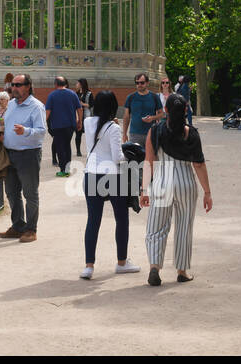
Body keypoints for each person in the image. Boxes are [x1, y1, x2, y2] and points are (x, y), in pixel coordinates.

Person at [142, 93, 212, 285]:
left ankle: (154, 267)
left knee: (156, 228)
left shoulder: (155, 131)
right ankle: (182, 270)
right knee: (184, 227)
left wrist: (144, 190)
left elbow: (149, 161)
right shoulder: (192, 133)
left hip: (162, 180)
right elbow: (199, 164)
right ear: (185, 111)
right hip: (185, 182)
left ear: (165, 110)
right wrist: (207, 192)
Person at [80, 90, 139, 279]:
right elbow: (116, 157)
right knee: (121, 219)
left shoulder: (88, 123)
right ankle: (121, 262)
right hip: (112, 176)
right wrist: (129, 154)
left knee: (93, 220)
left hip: (91, 174)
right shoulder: (113, 128)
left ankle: (89, 266)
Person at [0, 74, 47, 243]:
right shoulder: (11, 104)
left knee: (30, 193)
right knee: (11, 192)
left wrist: (25, 131)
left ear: (28, 86)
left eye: (18, 85)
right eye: (13, 84)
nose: (14, 87)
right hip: (9, 154)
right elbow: (6, 123)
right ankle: (18, 226)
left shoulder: (36, 106)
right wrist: (2, 134)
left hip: (28, 154)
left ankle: (31, 229)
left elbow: (41, 132)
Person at [45, 76, 83, 177]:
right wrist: (80, 121)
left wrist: (42, 123)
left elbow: (47, 112)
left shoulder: (52, 95)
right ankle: (67, 169)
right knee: (67, 145)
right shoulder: (73, 94)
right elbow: (79, 109)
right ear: (65, 84)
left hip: (57, 126)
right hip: (70, 125)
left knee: (60, 147)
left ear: (56, 84)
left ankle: (63, 170)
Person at [122, 72, 163, 147]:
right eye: (137, 83)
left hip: (151, 133)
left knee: (151, 158)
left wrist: (152, 118)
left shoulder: (154, 97)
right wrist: (124, 134)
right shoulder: (130, 97)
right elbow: (126, 117)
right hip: (134, 134)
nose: (139, 85)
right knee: (135, 157)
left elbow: (161, 114)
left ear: (147, 83)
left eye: (142, 83)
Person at [74, 77, 92, 155]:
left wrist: (82, 104)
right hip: (78, 116)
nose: (76, 85)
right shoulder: (76, 94)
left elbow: (91, 105)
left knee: (89, 134)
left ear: (81, 84)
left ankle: (90, 150)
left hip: (87, 116)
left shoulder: (89, 94)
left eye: (77, 83)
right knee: (78, 133)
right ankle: (78, 151)